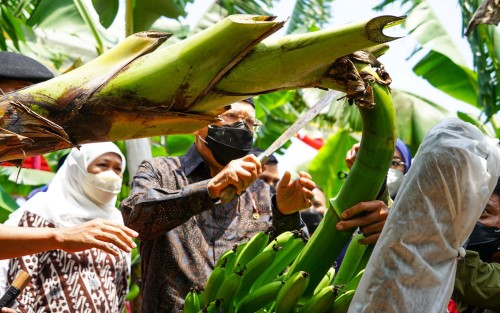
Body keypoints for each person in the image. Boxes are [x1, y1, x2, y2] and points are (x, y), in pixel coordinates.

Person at [121, 98, 388, 312]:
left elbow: (289, 267)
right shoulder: (161, 171)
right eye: (232, 117)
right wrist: (210, 189)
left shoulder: (263, 193)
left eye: (250, 123)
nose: (241, 128)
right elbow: (135, 217)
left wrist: (287, 213)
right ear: (199, 124)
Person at [0, 51, 137, 259]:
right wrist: (59, 237)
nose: (28, 117)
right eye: (19, 100)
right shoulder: (41, 210)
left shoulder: (114, 220)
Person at [0, 142, 131, 312]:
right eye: (103, 165)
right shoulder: (43, 210)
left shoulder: (116, 222)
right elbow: (20, 274)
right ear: (77, 168)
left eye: (117, 169)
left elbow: (120, 288)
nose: (111, 174)